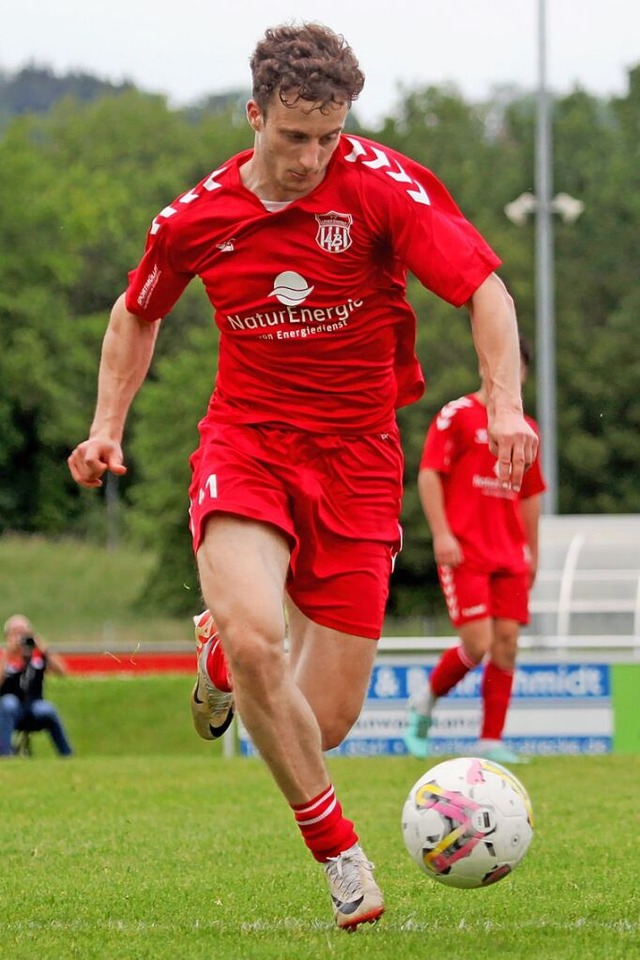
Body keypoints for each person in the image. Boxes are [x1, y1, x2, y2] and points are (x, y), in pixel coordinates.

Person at [67, 22, 538, 929]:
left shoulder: (378, 189)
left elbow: (484, 288)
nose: (313, 156)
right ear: (254, 115)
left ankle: (218, 657)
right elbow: (136, 313)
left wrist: (505, 403)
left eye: (329, 135)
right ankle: (341, 854)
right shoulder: (198, 217)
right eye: (293, 137)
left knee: (315, 725)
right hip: (247, 445)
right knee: (257, 642)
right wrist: (105, 427)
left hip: (360, 461)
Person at [404, 335, 546, 765]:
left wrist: (532, 552)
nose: (509, 373)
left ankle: (490, 739)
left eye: (518, 368)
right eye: (502, 363)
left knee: (507, 644)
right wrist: (442, 534)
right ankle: (424, 701)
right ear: (487, 365)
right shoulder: (457, 416)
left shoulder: (528, 431)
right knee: (477, 642)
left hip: (509, 554)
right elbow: (430, 475)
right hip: (466, 550)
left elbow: (530, 495)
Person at [0, 614, 74, 757]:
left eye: (24, 633)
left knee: (48, 710)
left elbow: (62, 671)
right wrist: (8, 655)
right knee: (9, 703)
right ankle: (5, 755)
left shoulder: (37, 657)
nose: (20, 638)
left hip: (34, 705)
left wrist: (43, 648)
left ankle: (67, 755)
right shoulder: (3, 658)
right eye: (15, 633)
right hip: (8, 710)